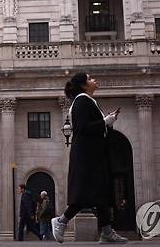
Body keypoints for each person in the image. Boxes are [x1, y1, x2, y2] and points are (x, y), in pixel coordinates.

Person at [51, 73, 127, 244]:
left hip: (93, 155)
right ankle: (61, 221)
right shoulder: (81, 101)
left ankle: (106, 232)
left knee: (101, 193)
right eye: (90, 78)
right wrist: (105, 121)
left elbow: (92, 128)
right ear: (84, 85)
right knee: (84, 193)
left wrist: (108, 121)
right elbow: (82, 127)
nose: (94, 80)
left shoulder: (87, 101)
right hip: (86, 156)